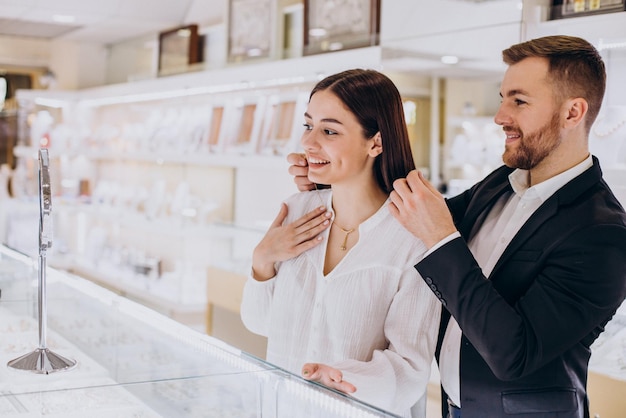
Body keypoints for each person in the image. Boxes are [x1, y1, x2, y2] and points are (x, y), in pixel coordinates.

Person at [287, 35, 626, 418]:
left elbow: (514, 354)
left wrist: (440, 237)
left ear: (572, 113)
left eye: (519, 101)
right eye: (502, 98)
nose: (500, 116)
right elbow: (407, 218)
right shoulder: (502, 182)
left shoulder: (603, 234)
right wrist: (330, 181)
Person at [240, 69, 441, 417]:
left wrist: (345, 378)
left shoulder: (412, 237)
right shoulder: (297, 210)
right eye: (308, 126)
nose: (308, 142)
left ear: (375, 143)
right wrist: (263, 261)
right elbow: (259, 324)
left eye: (329, 131)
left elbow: (410, 367)